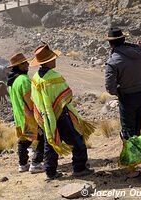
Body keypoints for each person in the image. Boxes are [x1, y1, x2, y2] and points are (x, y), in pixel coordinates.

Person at [30, 45, 95, 180]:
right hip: (60, 115)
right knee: (76, 140)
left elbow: (35, 98)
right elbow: (67, 95)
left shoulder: (36, 77)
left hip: (46, 117)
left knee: (51, 142)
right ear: (47, 61)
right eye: (53, 58)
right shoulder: (55, 77)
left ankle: (50, 172)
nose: (55, 60)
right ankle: (79, 168)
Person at [105, 27, 141, 140]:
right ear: (123, 40)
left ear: (111, 44)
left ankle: (132, 155)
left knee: (127, 131)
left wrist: (119, 92)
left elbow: (110, 87)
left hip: (127, 97)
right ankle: (139, 151)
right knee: (137, 125)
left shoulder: (113, 62)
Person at [7, 53, 44, 173]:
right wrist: (40, 116)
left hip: (19, 118)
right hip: (29, 118)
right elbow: (31, 101)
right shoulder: (23, 80)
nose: (27, 65)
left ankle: (22, 164)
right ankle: (36, 164)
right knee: (42, 138)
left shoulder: (11, 82)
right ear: (18, 66)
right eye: (24, 63)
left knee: (23, 141)